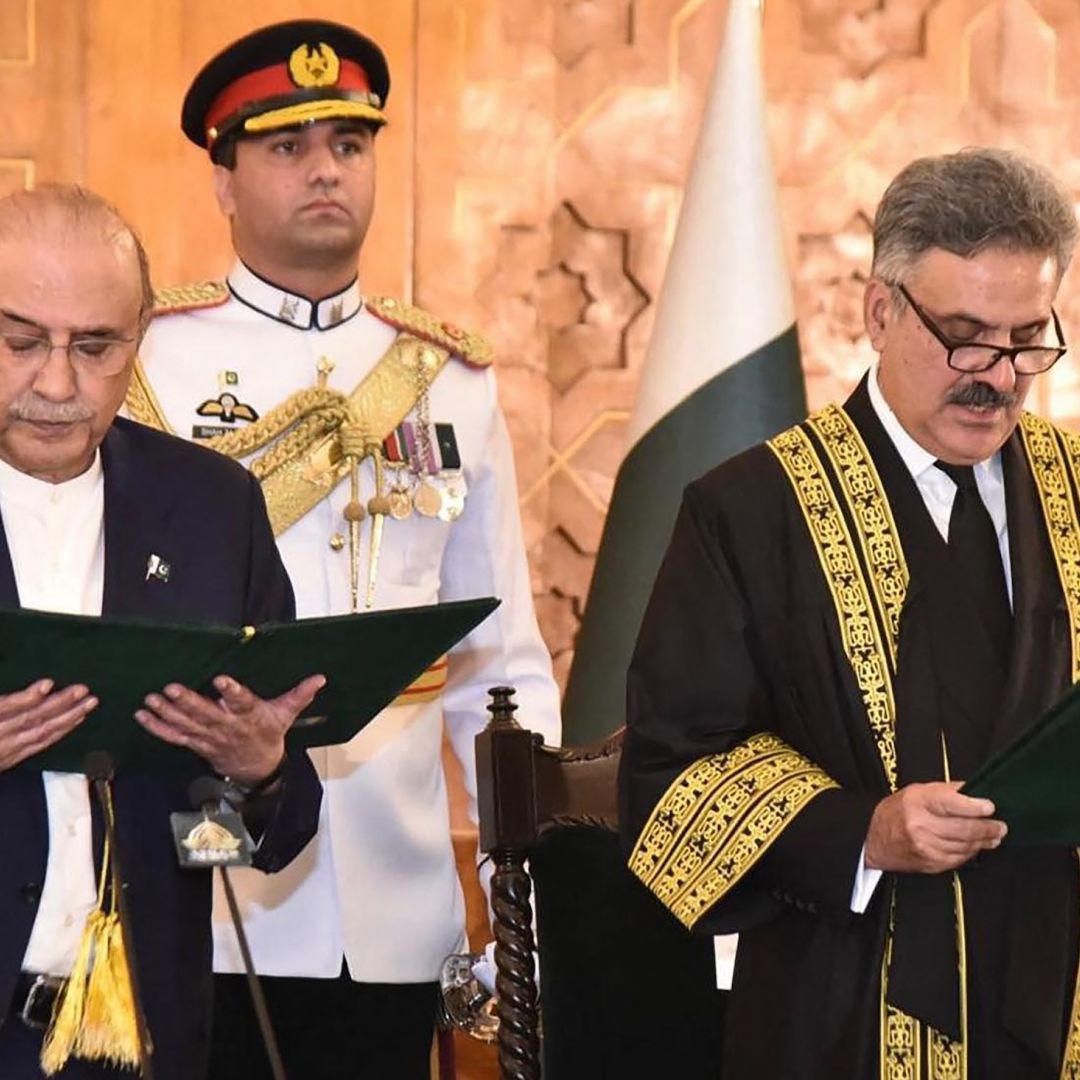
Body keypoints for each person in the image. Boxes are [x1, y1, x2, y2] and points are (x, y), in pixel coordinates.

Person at [130, 18, 562, 1079]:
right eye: (287, 147)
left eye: (350, 145)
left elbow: (499, 664)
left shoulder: (448, 378)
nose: (327, 170)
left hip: (398, 897)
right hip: (205, 885)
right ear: (224, 181)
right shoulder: (147, 361)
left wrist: (534, 893)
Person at [620, 146, 1080, 1079]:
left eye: (1029, 338)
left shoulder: (1077, 488)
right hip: (843, 1003)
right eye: (965, 336)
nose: (997, 374)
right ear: (879, 311)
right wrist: (866, 832)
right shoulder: (750, 510)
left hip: (1058, 985)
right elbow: (671, 775)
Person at [0, 184, 325, 1080]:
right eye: (21, 341)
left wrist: (256, 770)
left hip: (143, 1033)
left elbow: (282, 821)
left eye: (95, 347)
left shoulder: (213, 509)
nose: (58, 383)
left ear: (139, 337)